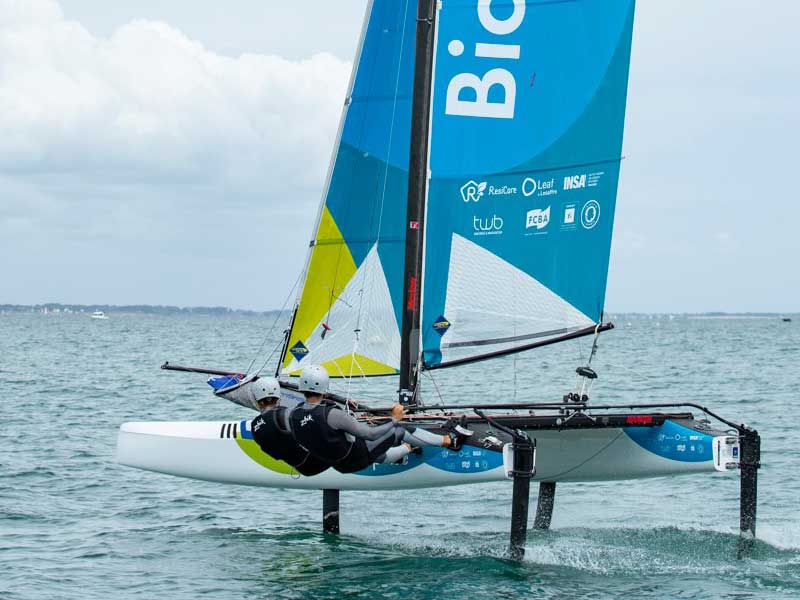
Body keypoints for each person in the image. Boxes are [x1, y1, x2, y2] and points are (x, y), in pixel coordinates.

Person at [288, 364, 472, 474]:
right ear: (324, 386)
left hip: (338, 466)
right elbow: (368, 434)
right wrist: (394, 418)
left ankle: (408, 448)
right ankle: (449, 441)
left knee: (376, 446)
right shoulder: (332, 414)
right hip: (357, 459)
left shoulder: (294, 414)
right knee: (399, 431)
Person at [248, 376, 330, 477]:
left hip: (303, 469)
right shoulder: (286, 414)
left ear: (257, 400)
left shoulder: (254, 426)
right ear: (278, 397)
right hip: (321, 461)